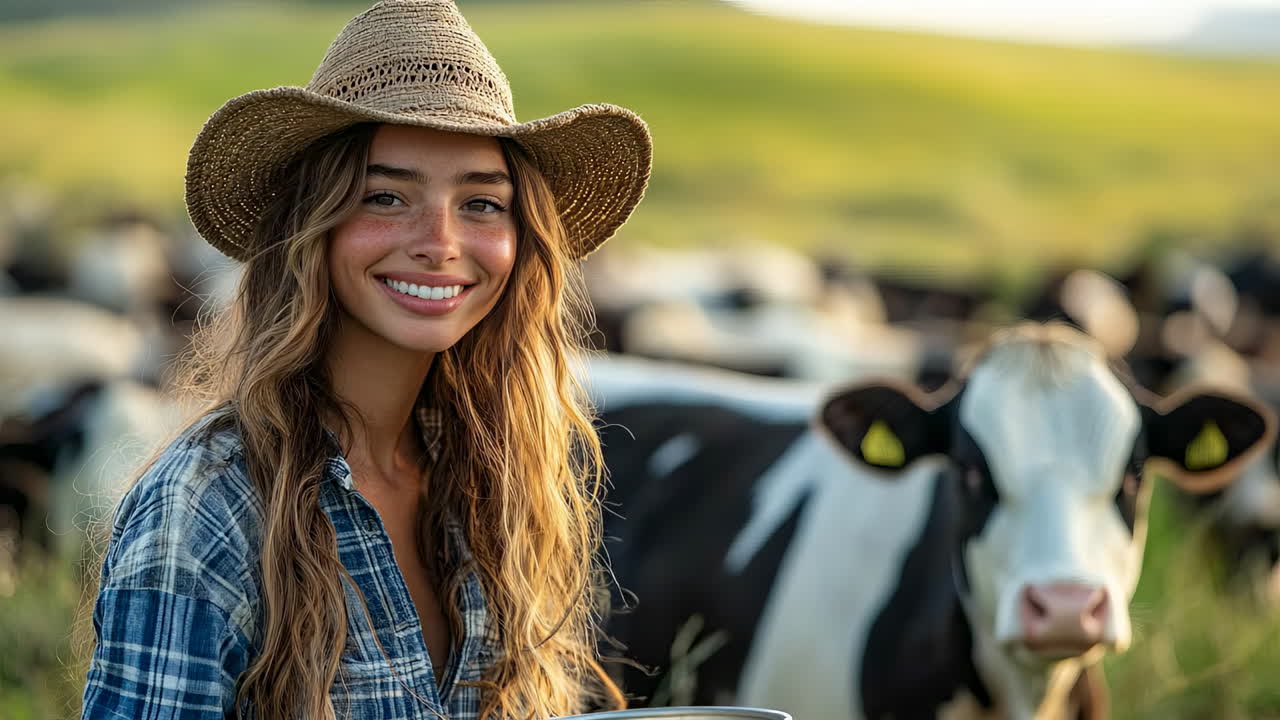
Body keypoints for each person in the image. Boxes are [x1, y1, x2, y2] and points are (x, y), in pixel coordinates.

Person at [79, 1, 652, 718]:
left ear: (521, 238)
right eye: (385, 196)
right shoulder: (209, 506)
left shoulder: (496, 481)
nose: (439, 241)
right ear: (308, 228)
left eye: (481, 203)